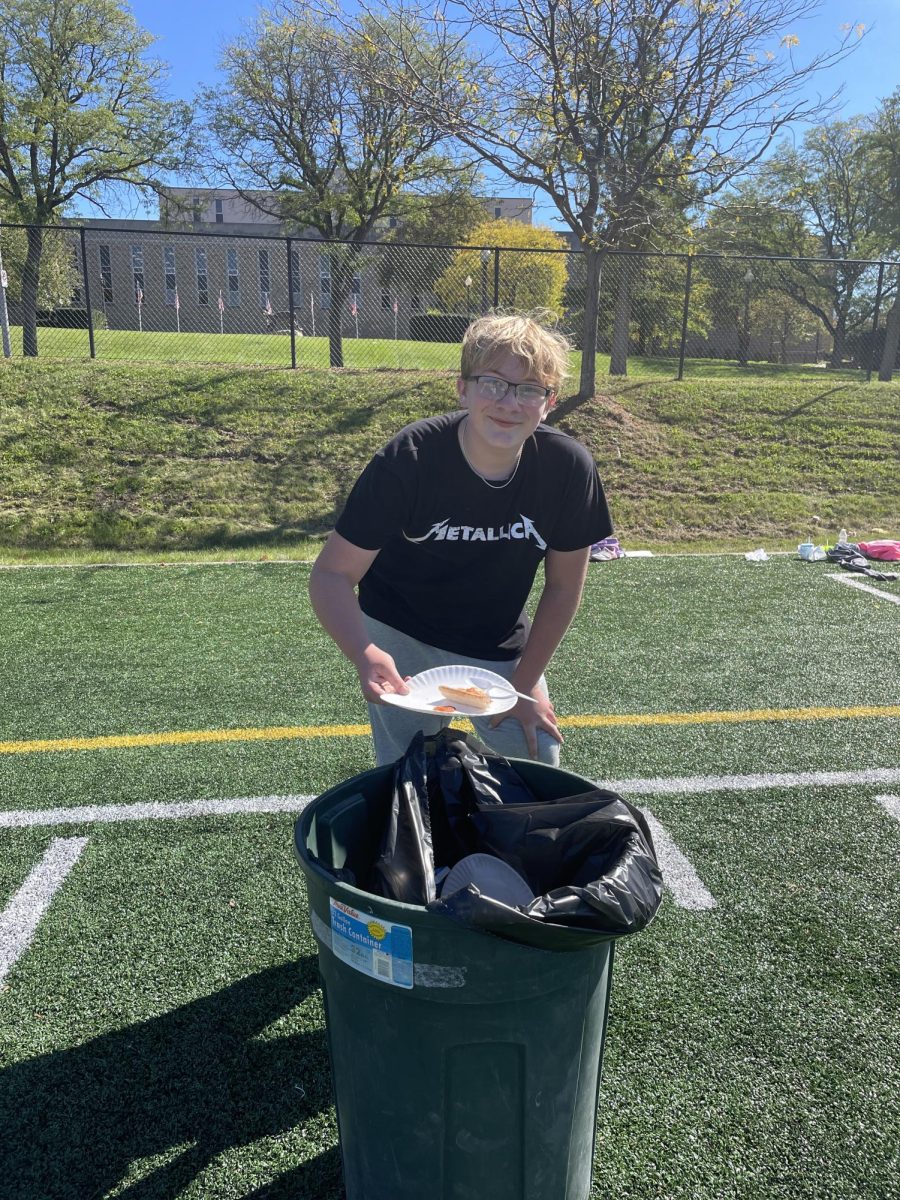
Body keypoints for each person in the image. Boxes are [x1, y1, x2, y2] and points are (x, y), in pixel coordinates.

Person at [308, 312, 613, 767]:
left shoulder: (568, 467)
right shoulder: (408, 458)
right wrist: (366, 653)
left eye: (529, 389)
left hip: (496, 641)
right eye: (492, 382)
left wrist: (525, 683)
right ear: (462, 387)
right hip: (401, 631)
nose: (509, 403)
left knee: (539, 759)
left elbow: (565, 587)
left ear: (548, 402)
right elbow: (331, 575)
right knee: (406, 769)